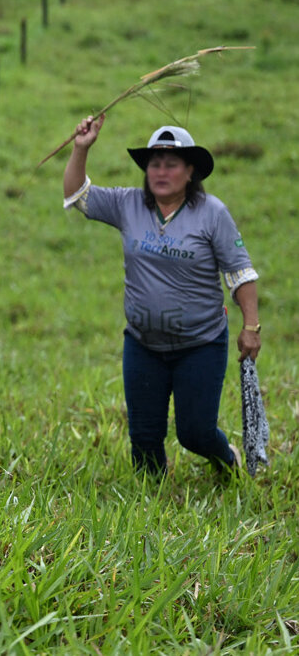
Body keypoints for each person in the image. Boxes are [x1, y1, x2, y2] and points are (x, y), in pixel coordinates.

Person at [63, 114, 261, 476]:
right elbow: (78, 196)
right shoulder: (128, 204)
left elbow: (240, 274)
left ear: (190, 172)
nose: (161, 172)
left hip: (200, 343)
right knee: (144, 442)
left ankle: (228, 460)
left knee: (195, 433)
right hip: (143, 344)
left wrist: (252, 326)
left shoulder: (212, 213)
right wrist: (81, 148)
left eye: (171, 164)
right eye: (155, 164)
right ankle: (151, 512)